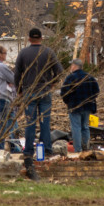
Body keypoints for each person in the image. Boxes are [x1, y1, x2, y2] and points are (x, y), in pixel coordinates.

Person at [15, 28, 63, 180]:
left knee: (30, 122)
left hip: (29, 91)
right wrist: (52, 84)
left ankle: (28, 151)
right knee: (45, 121)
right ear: (41, 38)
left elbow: (17, 73)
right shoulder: (49, 52)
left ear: (29, 39)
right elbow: (60, 72)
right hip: (44, 91)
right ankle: (47, 149)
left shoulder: (23, 53)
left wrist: (20, 90)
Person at [61, 58, 100, 152]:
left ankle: (78, 149)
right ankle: (86, 147)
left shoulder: (70, 78)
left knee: (76, 128)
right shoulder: (89, 77)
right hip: (87, 107)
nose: (70, 67)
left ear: (74, 66)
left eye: (71, 65)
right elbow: (96, 91)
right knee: (85, 127)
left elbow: (63, 92)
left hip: (74, 107)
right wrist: (90, 99)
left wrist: (68, 102)